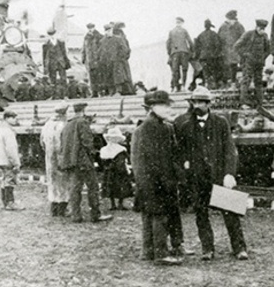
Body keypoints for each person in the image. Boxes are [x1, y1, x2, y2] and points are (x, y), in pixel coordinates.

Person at [175, 86, 248, 260]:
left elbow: (230, 150)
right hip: (197, 178)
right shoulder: (185, 126)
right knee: (201, 215)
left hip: (219, 176)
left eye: (201, 102)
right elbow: (180, 151)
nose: (197, 105)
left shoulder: (221, 123)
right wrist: (185, 163)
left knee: (231, 213)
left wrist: (229, 173)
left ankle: (239, 248)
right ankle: (208, 249)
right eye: (194, 102)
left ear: (208, 104)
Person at [131, 90, 183, 265]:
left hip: (146, 180)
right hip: (156, 180)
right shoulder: (155, 128)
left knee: (149, 215)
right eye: (165, 105)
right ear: (152, 107)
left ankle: (148, 251)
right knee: (159, 216)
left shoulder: (147, 126)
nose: (169, 108)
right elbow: (158, 159)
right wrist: (169, 180)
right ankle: (161, 253)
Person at [60, 102, 112, 223]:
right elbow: (87, 142)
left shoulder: (68, 124)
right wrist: (94, 154)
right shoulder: (82, 122)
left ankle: (76, 215)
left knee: (75, 189)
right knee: (93, 187)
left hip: (71, 161)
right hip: (83, 161)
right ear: (83, 111)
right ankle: (95, 214)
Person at [39, 103, 70, 216]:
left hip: (50, 158)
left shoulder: (47, 124)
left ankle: (54, 208)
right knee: (63, 183)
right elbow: (67, 143)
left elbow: (41, 141)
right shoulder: (64, 125)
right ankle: (62, 209)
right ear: (65, 112)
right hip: (61, 157)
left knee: (52, 182)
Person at [234, 19, 270, 107]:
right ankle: (244, 101)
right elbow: (237, 46)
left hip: (259, 63)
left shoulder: (265, 36)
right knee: (246, 80)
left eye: (263, 29)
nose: (262, 31)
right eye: (260, 28)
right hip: (248, 63)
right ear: (256, 27)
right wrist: (245, 55)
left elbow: (268, 49)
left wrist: (263, 57)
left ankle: (259, 101)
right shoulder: (248, 34)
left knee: (258, 81)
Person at [0, 110, 24, 210]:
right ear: (7, 118)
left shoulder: (0, 130)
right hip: (8, 160)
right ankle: (10, 203)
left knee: (4, 180)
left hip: (1, 159)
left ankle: (5, 201)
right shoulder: (8, 132)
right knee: (10, 180)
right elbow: (11, 149)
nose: (16, 120)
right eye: (14, 118)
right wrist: (16, 163)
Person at [100, 127, 132, 211]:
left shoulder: (104, 150)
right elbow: (122, 162)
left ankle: (112, 204)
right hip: (118, 171)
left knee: (110, 187)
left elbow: (102, 162)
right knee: (121, 187)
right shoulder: (121, 150)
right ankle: (120, 204)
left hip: (108, 171)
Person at [97, 24, 129, 96]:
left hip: (116, 62)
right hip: (107, 62)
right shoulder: (102, 41)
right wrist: (101, 60)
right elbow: (100, 52)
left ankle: (118, 91)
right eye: (106, 31)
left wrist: (119, 58)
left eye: (109, 30)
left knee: (118, 77)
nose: (108, 32)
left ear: (112, 30)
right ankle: (111, 91)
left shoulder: (118, 39)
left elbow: (124, 49)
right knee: (108, 77)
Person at [218, 10, 245, 89]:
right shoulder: (223, 26)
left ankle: (234, 83)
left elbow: (244, 38)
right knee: (226, 67)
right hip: (225, 51)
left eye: (232, 20)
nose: (230, 21)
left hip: (236, 51)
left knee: (234, 66)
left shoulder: (239, 26)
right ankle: (226, 84)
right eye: (229, 19)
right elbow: (219, 39)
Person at [42, 27, 71, 99]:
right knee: (52, 80)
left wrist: (67, 63)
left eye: (53, 34)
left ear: (55, 34)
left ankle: (65, 95)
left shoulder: (61, 42)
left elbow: (64, 53)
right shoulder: (45, 44)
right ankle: (54, 95)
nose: (52, 36)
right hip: (51, 63)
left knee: (63, 79)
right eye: (50, 35)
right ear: (48, 35)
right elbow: (44, 56)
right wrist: (45, 67)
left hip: (60, 62)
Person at [194, 19, 223, 89]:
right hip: (212, 57)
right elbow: (218, 45)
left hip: (203, 57)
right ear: (210, 26)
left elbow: (197, 47)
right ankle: (214, 85)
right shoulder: (214, 34)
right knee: (213, 71)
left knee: (205, 72)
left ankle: (207, 85)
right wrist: (216, 54)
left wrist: (197, 56)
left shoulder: (200, 35)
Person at [166, 17, 194, 92]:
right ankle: (183, 86)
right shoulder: (184, 31)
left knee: (175, 70)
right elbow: (190, 42)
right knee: (184, 69)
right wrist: (191, 51)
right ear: (182, 23)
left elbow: (168, 43)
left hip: (174, 53)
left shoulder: (171, 32)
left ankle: (175, 87)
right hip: (184, 52)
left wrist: (170, 53)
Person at [112, 22, 135, 94]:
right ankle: (127, 90)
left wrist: (126, 54)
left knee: (124, 75)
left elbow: (126, 46)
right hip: (121, 59)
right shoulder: (119, 35)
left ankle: (127, 90)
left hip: (122, 59)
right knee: (124, 76)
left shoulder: (121, 35)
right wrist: (125, 55)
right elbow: (125, 47)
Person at [81, 23, 103, 97]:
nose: (90, 29)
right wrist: (83, 58)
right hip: (89, 61)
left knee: (99, 77)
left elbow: (102, 49)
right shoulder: (86, 37)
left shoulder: (99, 36)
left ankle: (101, 92)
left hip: (97, 60)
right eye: (89, 28)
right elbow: (84, 48)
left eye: (91, 28)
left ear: (94, 27)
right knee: (91, 77)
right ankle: (94, 92)